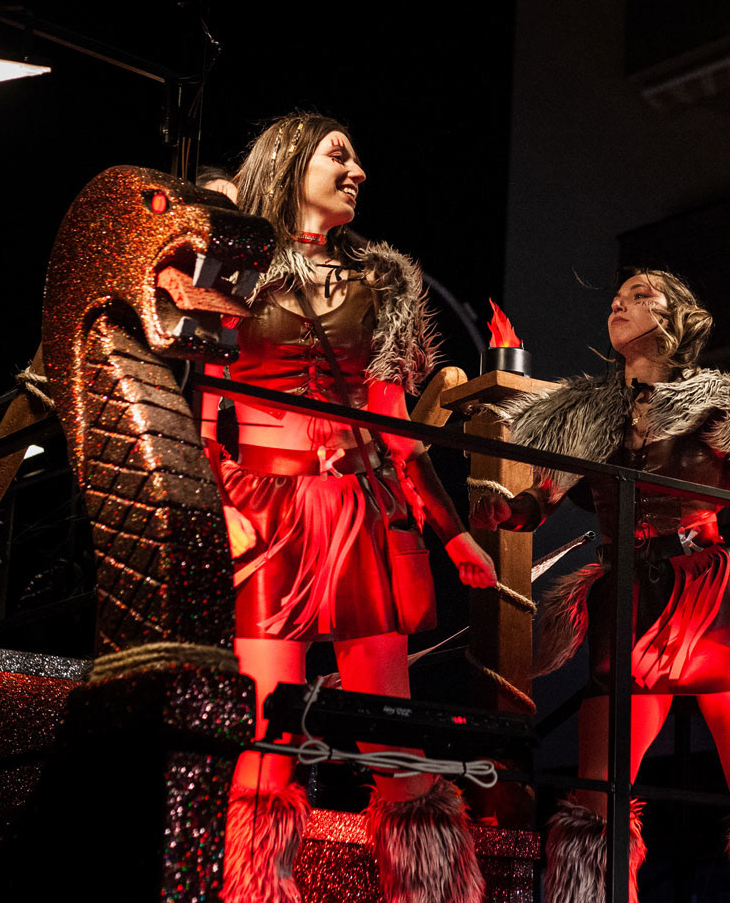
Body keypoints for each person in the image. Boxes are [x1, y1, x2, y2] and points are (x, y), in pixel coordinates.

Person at [203, 112, 496, 903]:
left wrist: (453, 534)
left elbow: (396, 431)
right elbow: (199, 412)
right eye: (338, 155)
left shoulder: (382, 285)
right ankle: (256, 886)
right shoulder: (233, 265)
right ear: (289, 162)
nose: (357, 170)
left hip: (359, 510)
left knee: (387, 717)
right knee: (266, 720)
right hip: (264, 509)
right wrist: (219, 500)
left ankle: (424, 885)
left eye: (359, 158)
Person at [473, 270, 730, 903]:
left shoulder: (718, 397)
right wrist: (512, 509)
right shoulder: (587, 408)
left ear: (678, 318)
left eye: (641, 295)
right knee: (598, 790)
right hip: (630, 597)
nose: (620, 303)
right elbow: (544, 496)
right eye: (617, 298)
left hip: (713, 591)